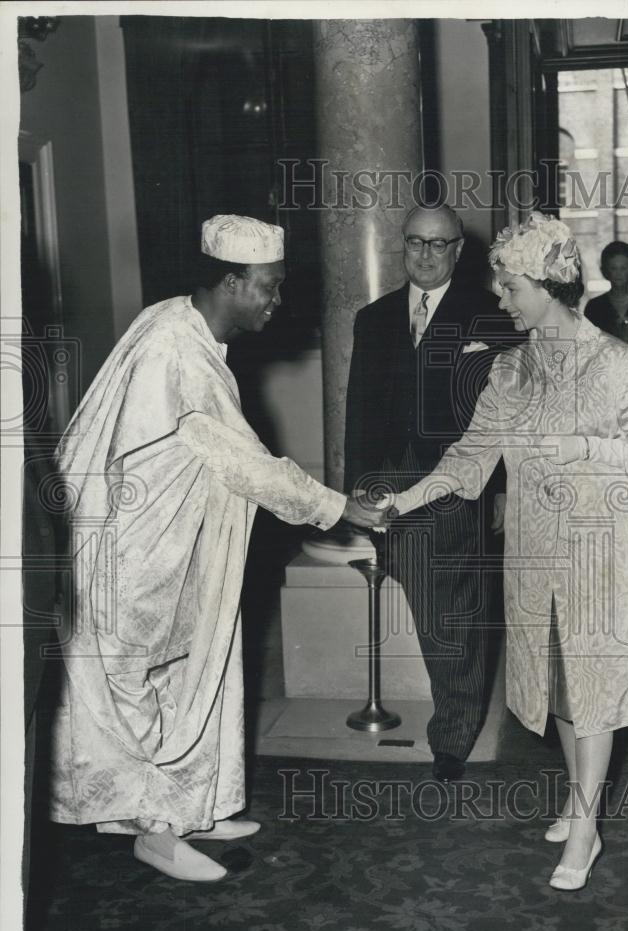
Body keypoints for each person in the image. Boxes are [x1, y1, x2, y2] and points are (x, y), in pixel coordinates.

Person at [51, 215, 384, 882]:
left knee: (190, 671)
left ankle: (187, 804)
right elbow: (249, 465)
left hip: (173, 543)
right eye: (268, 287)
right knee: (135, 683)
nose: (276, 301)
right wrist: (341, 506)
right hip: (134, 552)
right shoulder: (178, 351)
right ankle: (153, 827)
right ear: (231, 282)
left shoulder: (180, 322)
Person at [387, 213, 628, 890]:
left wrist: (579, 450)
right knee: (559, 688)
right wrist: (401, 500)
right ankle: (582, 803)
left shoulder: (620, 362)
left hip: (598, 553)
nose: (502, 300)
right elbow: (472, 456)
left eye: (512, 287)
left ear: (550, 284)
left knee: (594, 689)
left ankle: (584, 828)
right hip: (534, 555)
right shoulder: (511, 369)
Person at [344, 204, 522, 784]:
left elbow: (503, 417)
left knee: (455, 607)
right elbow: (359, 411)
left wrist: (500, 489)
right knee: (428, 599)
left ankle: (453, 732)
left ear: (458, 250)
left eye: (438, 244)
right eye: (416, 242)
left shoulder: (490, 316)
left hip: (456, 479)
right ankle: (456, 711)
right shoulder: (373, 319)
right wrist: (360, 484)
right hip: (392, 482)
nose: (425, 254)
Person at [584, 240, 628, 345]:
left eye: (623, 268)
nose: (618, 274)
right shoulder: (595, 306)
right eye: (613, 268)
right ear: (606, 271)